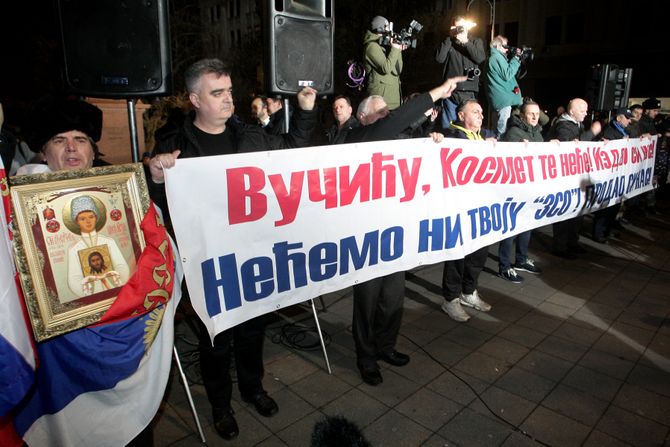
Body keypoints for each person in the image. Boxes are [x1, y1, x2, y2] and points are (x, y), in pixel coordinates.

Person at [148, 58, 318, 441]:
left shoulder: (250, 136)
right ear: (194, 99)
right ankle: (221, 406)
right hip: (207, 261)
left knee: (253, 328)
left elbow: (293, 148)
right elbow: (157, 205)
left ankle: (253, 388)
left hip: (250, 255)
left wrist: (306, 112)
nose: (229, 100)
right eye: (217, 93)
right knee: (216, 340)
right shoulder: (173, 145)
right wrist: (157, 177)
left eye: (229, 92)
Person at [343, 75, 468, 385]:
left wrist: (431, 140)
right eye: (382, 112)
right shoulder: (354, 138)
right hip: (366, 238)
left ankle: (386, 346)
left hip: (393, 236)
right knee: (367, 303)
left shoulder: (393, 140)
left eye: (388, 111)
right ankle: (366, 356)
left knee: (393, 299)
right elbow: (396, 122)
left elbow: (412, 144)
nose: (388, 116)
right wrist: (436, 92)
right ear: (363, 118)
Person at [441, 99, 495, 322]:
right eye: (475, 111)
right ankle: (450, 299)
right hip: (459, 207)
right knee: (457, 254)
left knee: (479, 252)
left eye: (482, 112)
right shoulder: (450, 137)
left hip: (481, 207)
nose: (481, 115)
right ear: (461, 116)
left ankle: (468, 291)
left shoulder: (486, 137)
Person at [546, 98, 602, 259]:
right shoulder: (563, 126)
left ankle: (572, 242)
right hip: (564, 179)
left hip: (576, 177)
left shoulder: (577, 124)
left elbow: (583, 143)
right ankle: (560, 247)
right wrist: (591, 132)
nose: (586, 113)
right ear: (572, 112)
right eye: (582, 110)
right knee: (565, 212)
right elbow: (569, 150)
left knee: (577, 211)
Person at [497, 99, 545, 283]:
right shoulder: (514, 132)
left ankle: (521, 259)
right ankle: (504, 266)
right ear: (523, 115)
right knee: (511, 229)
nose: (535, 117)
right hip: (515, 191)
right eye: (531, 113)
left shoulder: (537, 132)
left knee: (527, 225)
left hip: (530, 189)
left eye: (537, 113)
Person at [66, 195, 129, 297]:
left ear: (96, 217)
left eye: (91, 217)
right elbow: (74, 279)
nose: (88, 221)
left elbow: (122, 267)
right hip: (93, 294)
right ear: (76, 222)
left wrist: (114, 281)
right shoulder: (74, 249)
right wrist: (90, 285)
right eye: (82, 218)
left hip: (116, 291)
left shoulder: (108, 242)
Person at [435, 16, 486, 127]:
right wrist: (449, 36)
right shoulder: (449, 42)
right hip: (452, 91)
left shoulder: (475, 41)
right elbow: (439, 58)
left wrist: (466, 42)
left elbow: (480, 58)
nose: (460, 30)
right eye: (457, 27)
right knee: (449, 126)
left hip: (469, 91)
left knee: (469, 126)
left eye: (462, 27)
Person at [592, 107, 633, 243]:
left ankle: (606, 232)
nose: (629, 121)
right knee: (605, 208)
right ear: (619, 118)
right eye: (627, 118)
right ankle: (599, 234)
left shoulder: (622, 131)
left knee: (614, 206)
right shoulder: (609, 131)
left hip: (617, 175)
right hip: (609, 176)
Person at [363, 15, 405, 110]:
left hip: (393, 100)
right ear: (380, 28)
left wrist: (398, 49)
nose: (389, 31)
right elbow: (386, 68)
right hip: (380, 102)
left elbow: (398, 70)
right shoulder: (371, 46)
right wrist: (395, 49)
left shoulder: (385, 44)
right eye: (387, 27)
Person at [485, 35, 522, 137]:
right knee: (502, 131)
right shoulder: (496, 57)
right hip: (503, 101)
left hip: (499, 100)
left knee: (496, 130)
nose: (507, 49)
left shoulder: (494, 57)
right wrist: (516, 58)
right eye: (505, 46)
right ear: (497, 46)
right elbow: (508, 74)